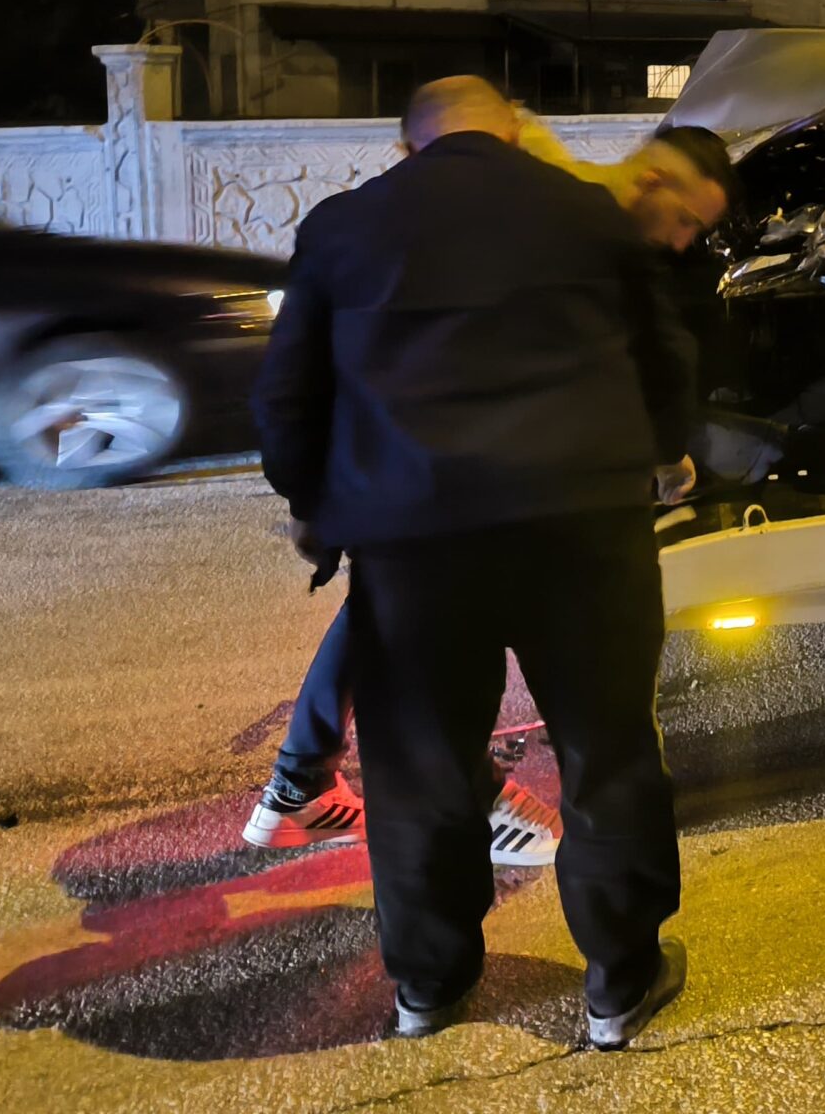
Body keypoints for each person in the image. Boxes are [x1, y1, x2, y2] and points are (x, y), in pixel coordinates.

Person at [252, 77, 701, 1046]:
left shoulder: (344, 226)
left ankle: (428, 988)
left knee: (419, 768)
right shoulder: (586, 213)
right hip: (581, 528)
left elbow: (290, 390)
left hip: (415, 544)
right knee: (606, 747)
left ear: (409, 148)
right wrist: (667, 452)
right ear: (511, 134)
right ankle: (618, 983)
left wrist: (311, 511)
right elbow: (664, 353)